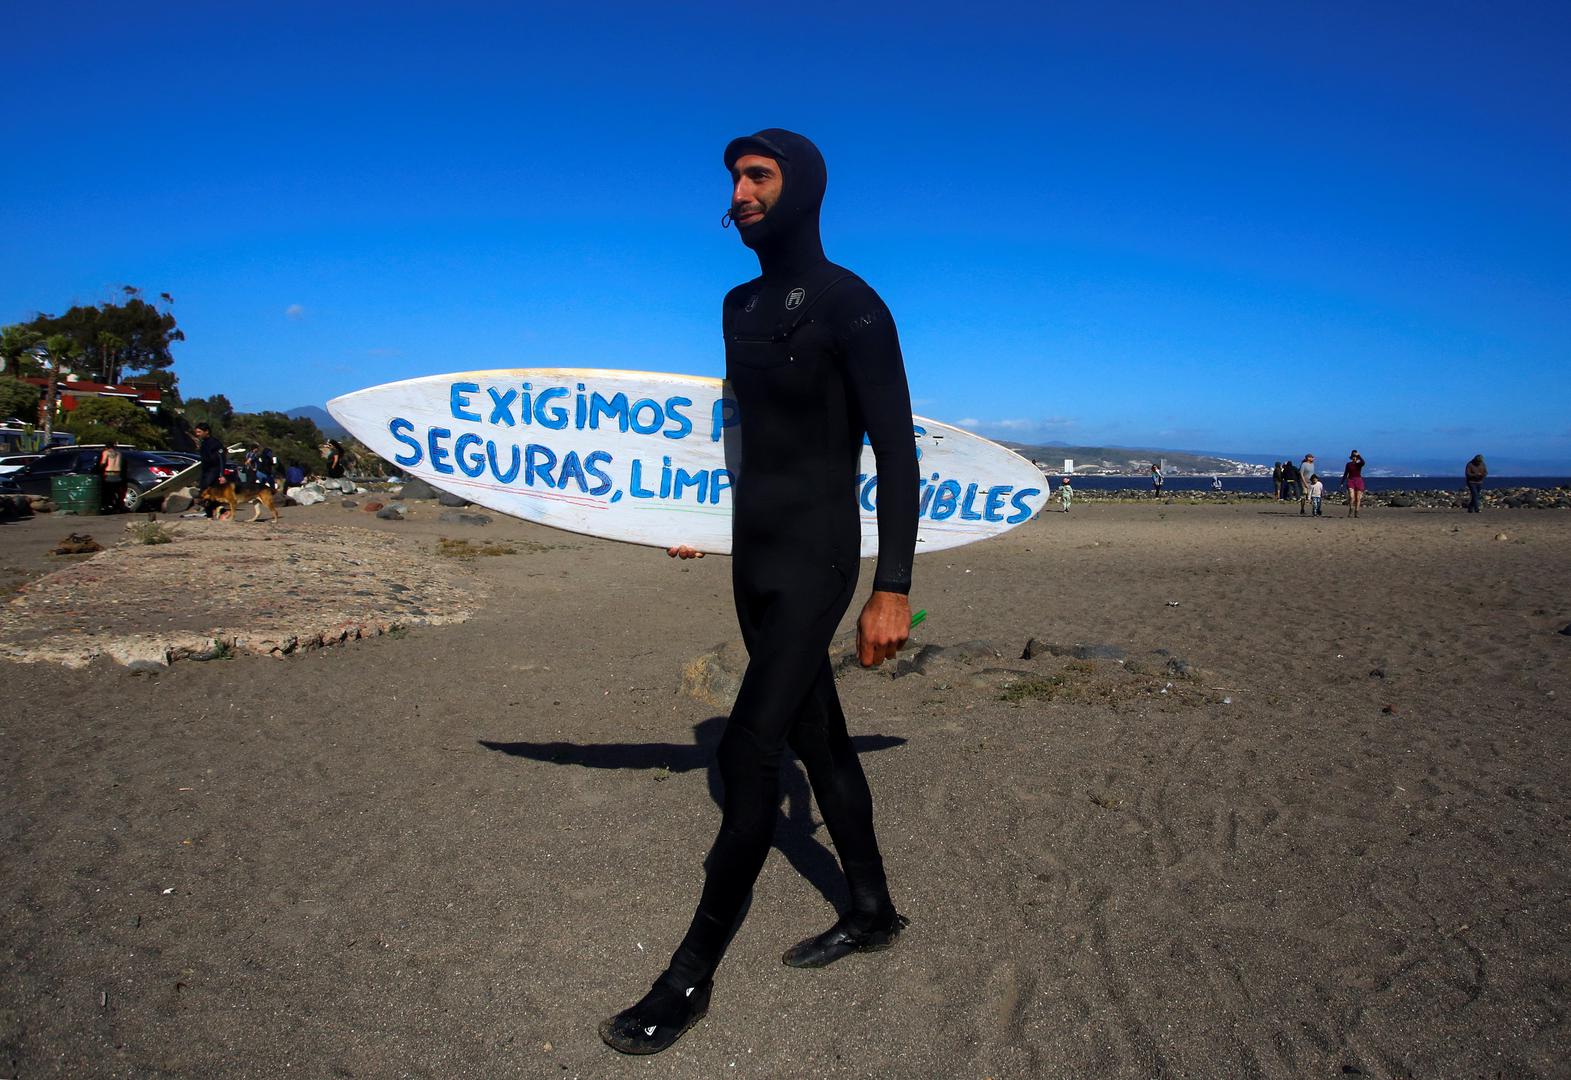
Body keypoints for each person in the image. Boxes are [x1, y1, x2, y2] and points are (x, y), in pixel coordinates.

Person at [600, 129, 919, 1056]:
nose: (738, 193)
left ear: (802, 189)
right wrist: (696, 523)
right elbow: (747, 440)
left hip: (820, 557)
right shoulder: (736, 304)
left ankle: (687, 977)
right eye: (734, 179)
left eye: (757, 177)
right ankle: (871, 909)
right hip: (752, 559)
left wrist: (891, 589)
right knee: (820, 743)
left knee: (747, 759)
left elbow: (896, 454)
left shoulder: (851, 304)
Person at [195, 423, 226, 518]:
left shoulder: (216, 443)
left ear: (206, 431)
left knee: (208, 491)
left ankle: (221, 511)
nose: (197, 434)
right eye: (196, 432)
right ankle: (210, 514)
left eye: (199, 432)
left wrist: (222, 474)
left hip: (214, 470)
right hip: (205, 470)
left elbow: (222, 459)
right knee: (204, 491)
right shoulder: (203, 443)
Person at [97, 440, 124, 512]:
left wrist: (99, 468)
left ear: (106, 447)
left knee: (107, 491)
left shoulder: (106, 452)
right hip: (118, 473)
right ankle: (118, 506)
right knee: (117, 491)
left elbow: (103, 462)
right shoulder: (119, 453)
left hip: (109, 473)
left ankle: (108, 505)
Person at [1342, 450, 1366, 518]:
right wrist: (1342, 482)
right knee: (1352, 497)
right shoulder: (1348, 464)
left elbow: (1363, 462)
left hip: (1358, 480)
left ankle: (1356, 512)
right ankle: (1351, 509)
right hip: (1350, 480)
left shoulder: (1359, 464)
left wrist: (1359, 455)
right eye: (1353, 456)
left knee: (1358, 498)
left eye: (1355, 456)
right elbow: (1345, 473)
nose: (1354, 458)